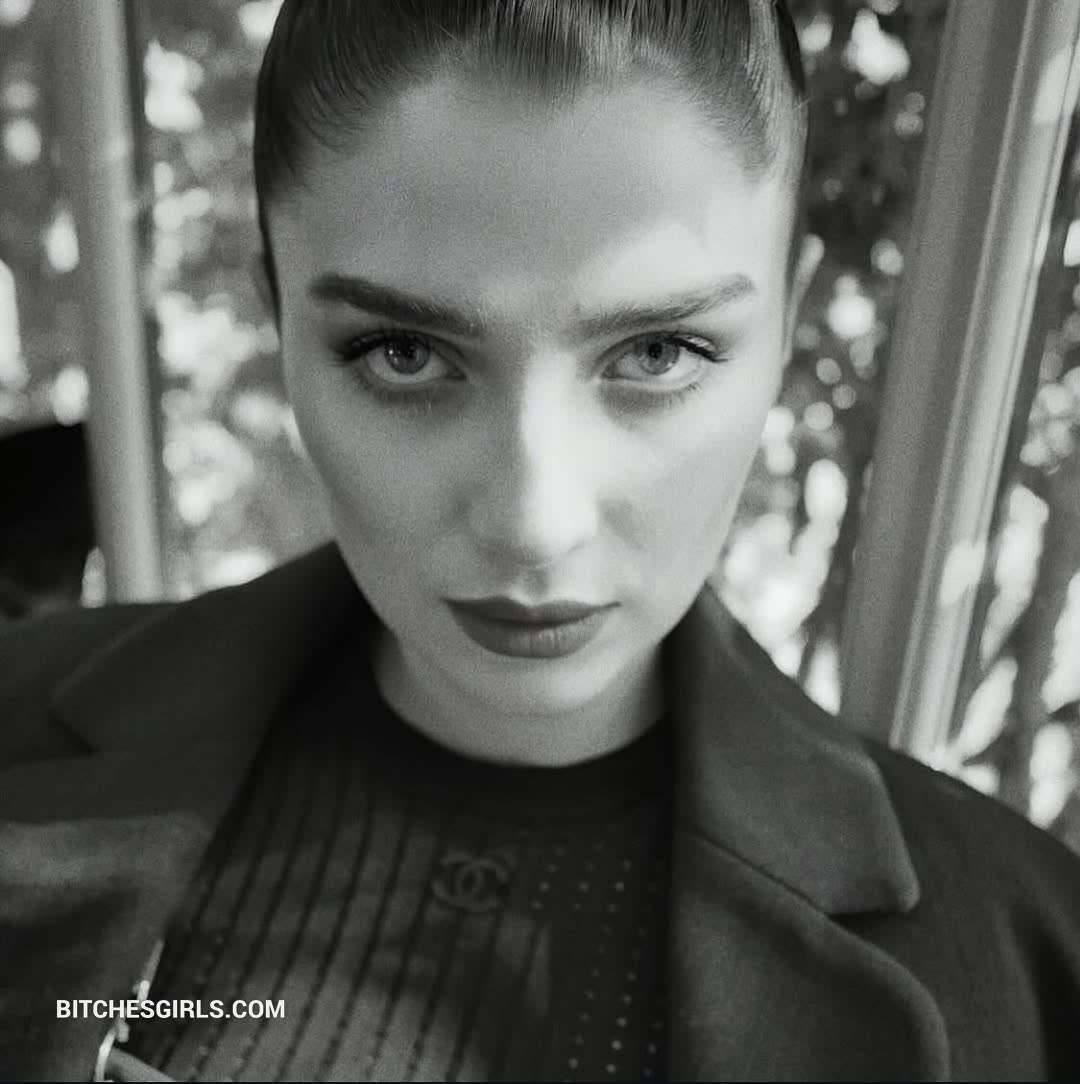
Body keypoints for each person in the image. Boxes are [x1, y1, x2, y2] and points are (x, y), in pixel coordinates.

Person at [2, 0, 1079, 1080]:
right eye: (403, 352)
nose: (534, 522)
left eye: (659, 352)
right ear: (280, 319)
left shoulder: (1036, 972)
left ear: (785, 324)